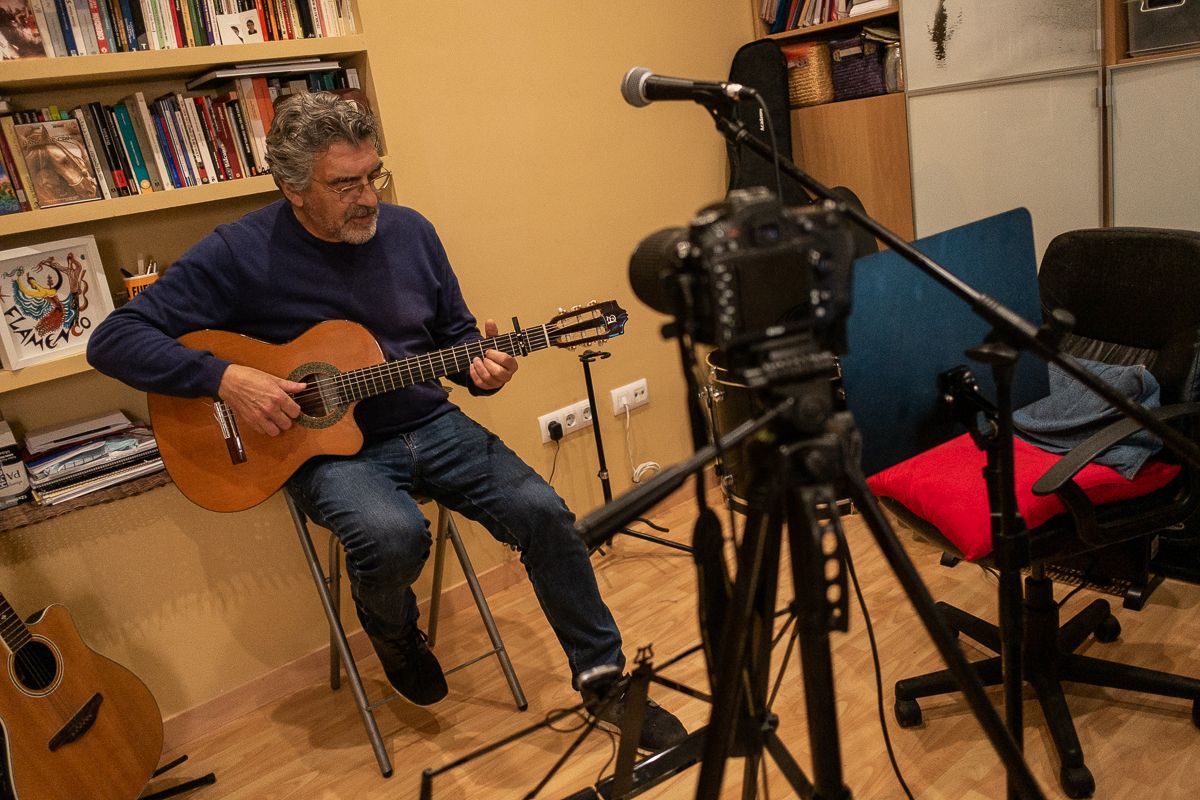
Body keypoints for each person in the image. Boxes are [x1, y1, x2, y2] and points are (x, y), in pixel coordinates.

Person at [86, 91, 686, 753]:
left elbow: (455, 336)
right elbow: (114, 340)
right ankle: (393, 630)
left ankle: (604, 680)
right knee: (392, 534)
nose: (368, 196)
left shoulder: (412, 233)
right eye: (345, 183)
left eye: (374, 175)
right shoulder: (238, 253)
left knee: (544, 511)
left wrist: (479, 370)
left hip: (430, 423)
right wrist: (227, 378)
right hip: (327, 453)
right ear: (292, 187)